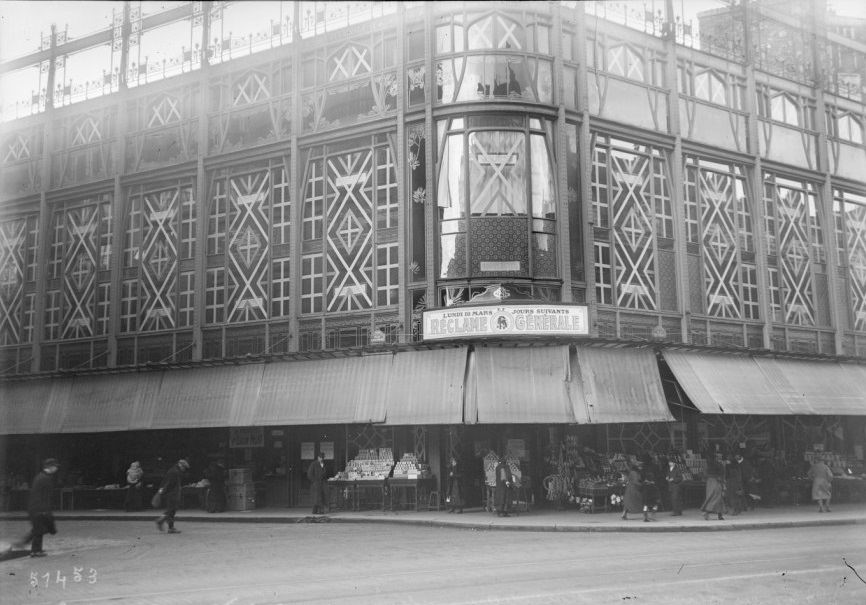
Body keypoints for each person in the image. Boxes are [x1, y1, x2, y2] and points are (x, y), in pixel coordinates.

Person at [17, 458, 59, 557]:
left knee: (39, 529)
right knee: (39, 529)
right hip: (39, 508)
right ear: (50, 467)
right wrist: (44, 510)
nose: (56, 468)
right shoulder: (45, 478)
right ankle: (35, 551)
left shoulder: (41, 477)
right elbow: (43, 496)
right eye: (55, 466)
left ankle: (31, 546)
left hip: (36, 507)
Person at [155, 458, 189, 533]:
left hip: (171, 493)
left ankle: (169, 526)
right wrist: (164, 492)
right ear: (180, 465)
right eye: (184, 467)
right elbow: (170, 484)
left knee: (172, 510)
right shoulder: (175, 472)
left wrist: (162, 491)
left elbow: (166, 482)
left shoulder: (172, 470)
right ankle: (162, 521)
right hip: (173, 494)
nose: (184, 469)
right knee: (172, 510)